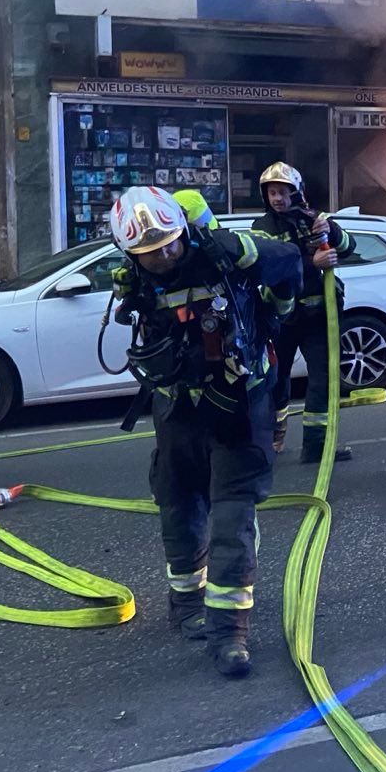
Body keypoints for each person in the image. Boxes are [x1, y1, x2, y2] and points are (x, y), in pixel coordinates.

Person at [109, 185, 301, 677]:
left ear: (185, 232)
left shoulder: (225, 255)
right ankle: (185, 605)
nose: (165, 256)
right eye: (150, 254)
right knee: (178, 506)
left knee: (233, 517)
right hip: (177, 411)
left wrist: (268, 302)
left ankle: (229, 632)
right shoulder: (135, 277)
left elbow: (289, 265)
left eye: (170, 244)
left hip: (239, 406)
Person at [251, 162, 356, 464]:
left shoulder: (312, 220)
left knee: (322, 380)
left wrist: (331, 230)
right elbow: (271, 269)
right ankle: (269, 439)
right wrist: (314, 264)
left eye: (283, 192)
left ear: (296, 193)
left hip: (318, 318)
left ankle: (316, 446)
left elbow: (349, 246)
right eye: (272, 193)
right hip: (281, 319)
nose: (278, 199)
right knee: (274, 380)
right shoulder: (262, 229)